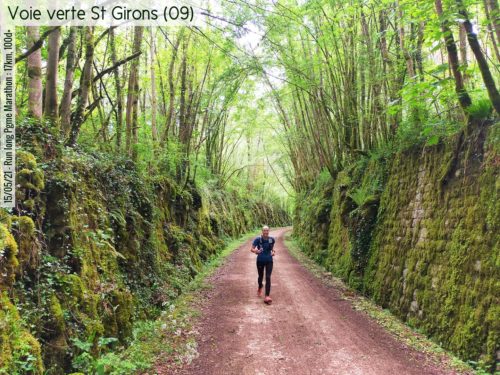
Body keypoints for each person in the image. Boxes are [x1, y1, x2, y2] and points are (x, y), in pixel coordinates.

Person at [250, 226, 276, 304]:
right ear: (262, 231)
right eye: (264, 230)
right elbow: (251, 249)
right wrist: (256, 251)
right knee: (260, 276)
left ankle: (267, 296)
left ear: (269, 231)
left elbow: (272, 249)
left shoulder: (272, 240)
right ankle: (260, 286)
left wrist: (273, 252)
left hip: (269, 261)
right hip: (260, 260)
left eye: (267, 230)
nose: (266, 232)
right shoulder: (257, 239)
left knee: (268, 277)